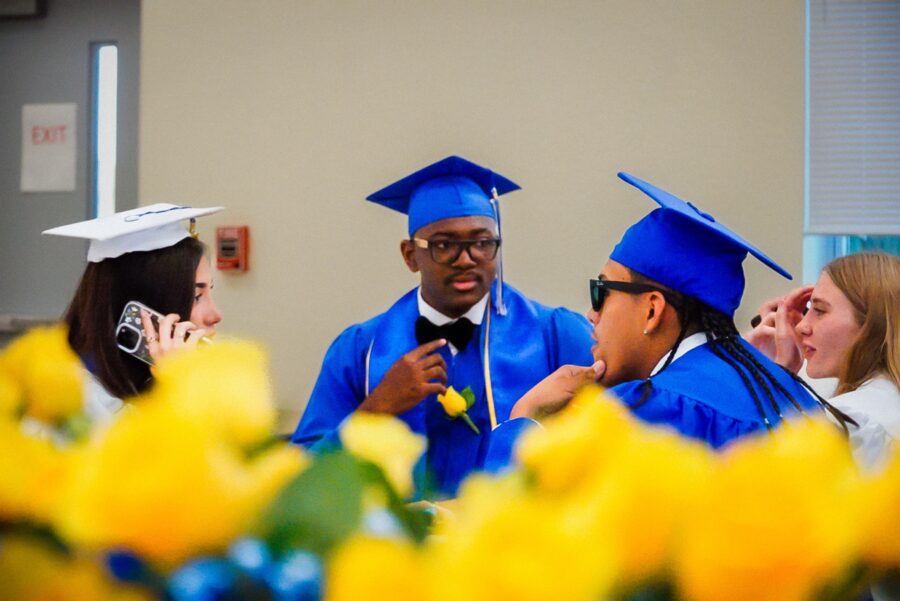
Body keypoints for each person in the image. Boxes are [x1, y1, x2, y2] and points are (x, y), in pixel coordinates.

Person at [291, 155, 594, 496]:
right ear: (409, 255)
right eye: (444, 245)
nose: (466, 259)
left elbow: (608, 450)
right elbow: (299, 481)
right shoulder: (360, 350)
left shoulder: (557, 336)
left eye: (482, 243)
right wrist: (376, 409)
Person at [503, 172, 827, 451]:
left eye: (601, 292)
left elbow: (522, 516)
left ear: (652, 310)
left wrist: (525, 416)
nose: (591, 313)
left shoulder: (647, 411)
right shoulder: (792, 393)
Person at [43, 204, 223, 420]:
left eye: (209, 291)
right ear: (139, 315)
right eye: (196, 297)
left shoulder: (146, 380)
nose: (215, 315)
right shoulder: (73, 401)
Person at [747, 252, 899, 470]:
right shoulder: (883, 401)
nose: (801, 327)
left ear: (873, 324)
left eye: (819, 311)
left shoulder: (850, 420)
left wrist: (775, 377)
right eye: (807, 311)